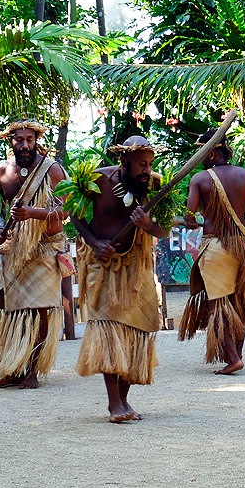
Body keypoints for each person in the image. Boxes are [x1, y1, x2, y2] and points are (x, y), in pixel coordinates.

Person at [71, 136, 171, 423]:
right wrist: (93, 242)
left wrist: (146, 224)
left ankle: (124, 400)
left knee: (134, 332)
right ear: (124, 161)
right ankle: (114, 403)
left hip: (137, 267)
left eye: (150, 164)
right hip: (103, 266)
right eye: (141, 164)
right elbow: (73, 215)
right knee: (107, 331)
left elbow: (162, 231)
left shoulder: (155, 187)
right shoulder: (96, 180)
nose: (147, 170)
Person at [177, 129, 245, 374]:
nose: (199, 157)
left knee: (218, 304)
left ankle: (234, 359)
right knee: (238, 300)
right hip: (241, 243)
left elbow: (189, 216)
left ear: (212, 153)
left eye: (202, 152)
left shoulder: (201, 179)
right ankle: (237, 353)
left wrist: (189, 220)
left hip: (216, 245)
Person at [0, 119, 69, 389]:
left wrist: (34, 214)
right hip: (15, 249)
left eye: (30, 139)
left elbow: (66, 211)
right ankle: (13, 367)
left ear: (37, 139)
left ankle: (32, 370)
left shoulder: (51, 170)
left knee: (39, 310)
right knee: (6, 308)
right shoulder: (3, 171)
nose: (25, 144)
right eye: (19, 139)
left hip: (44, 248)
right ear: (11, 141)